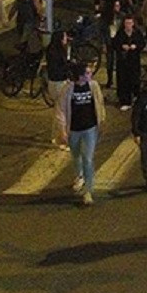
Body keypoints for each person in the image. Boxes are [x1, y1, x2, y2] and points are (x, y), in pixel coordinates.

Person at [54, 65, 106, 205]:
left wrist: (101, 122)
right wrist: (63, 131)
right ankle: (79, 176)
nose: (90, 75)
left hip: (90, 129)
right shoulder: (67, 89)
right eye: (87, 73)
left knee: (88, 159)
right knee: (76, 156)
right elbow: (61, 110)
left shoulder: (94, 86)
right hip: (74, 130)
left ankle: (88, 191)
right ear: (80, 76)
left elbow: (99, 104)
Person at [112, 16, 146, 111]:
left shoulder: (137, 33)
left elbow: (142, 43)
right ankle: (125, 101)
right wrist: (122, 46)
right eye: (126, 23)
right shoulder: (120, 33)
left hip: (134, 61)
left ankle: (135, 98)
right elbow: (114, 43)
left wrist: (136, 46)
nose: (128, 26)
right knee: (123, 81)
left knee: (135, 79)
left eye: (130, 23)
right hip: (123, 61)